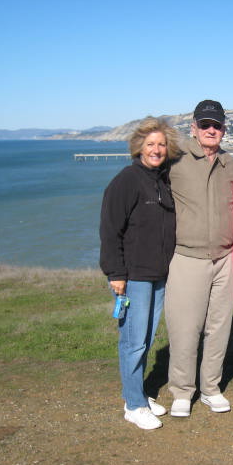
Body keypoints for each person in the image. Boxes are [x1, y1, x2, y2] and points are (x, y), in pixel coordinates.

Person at [99, 117, 179, 430]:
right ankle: (133, 405)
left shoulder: (162, 179)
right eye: (150, 144)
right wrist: (115, 273)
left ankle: (138, 394)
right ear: (139, 147)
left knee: (145, 339)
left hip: (159, 274)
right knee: (133, 341)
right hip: (134, 276)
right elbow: (110, 230)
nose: (156, 150)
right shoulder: (127, 180)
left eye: (161, 144)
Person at [164, 100, 233, 417]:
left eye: (217, 125)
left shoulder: (229, 163)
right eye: (205, 124)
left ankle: (210, 388)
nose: (212, 130)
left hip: (225, 258)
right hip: (187, 256)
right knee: (185, 329)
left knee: (219, 328)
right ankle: (182, 391)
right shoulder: (175, 158)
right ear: (193, 127)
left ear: (224, 129)